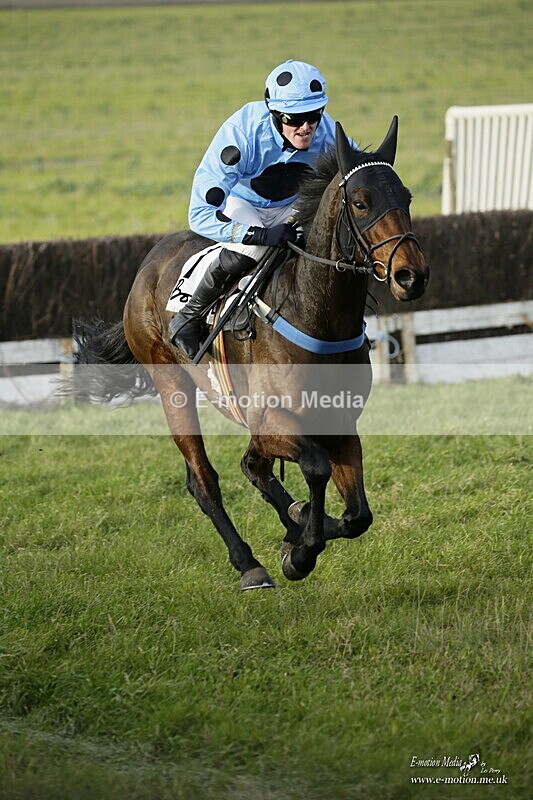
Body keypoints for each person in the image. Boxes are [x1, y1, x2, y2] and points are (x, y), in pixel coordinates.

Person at [169, 59, 350, 358]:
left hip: (292, 205)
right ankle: (188, 316)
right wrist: (260, 234)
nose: (306, 128)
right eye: (294, 119)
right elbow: (199, 215)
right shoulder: (242, 134)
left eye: (313, 116)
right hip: (241, 202)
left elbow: (358, 174)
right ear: (275, 113)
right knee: (254, 249)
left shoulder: (328, 133)